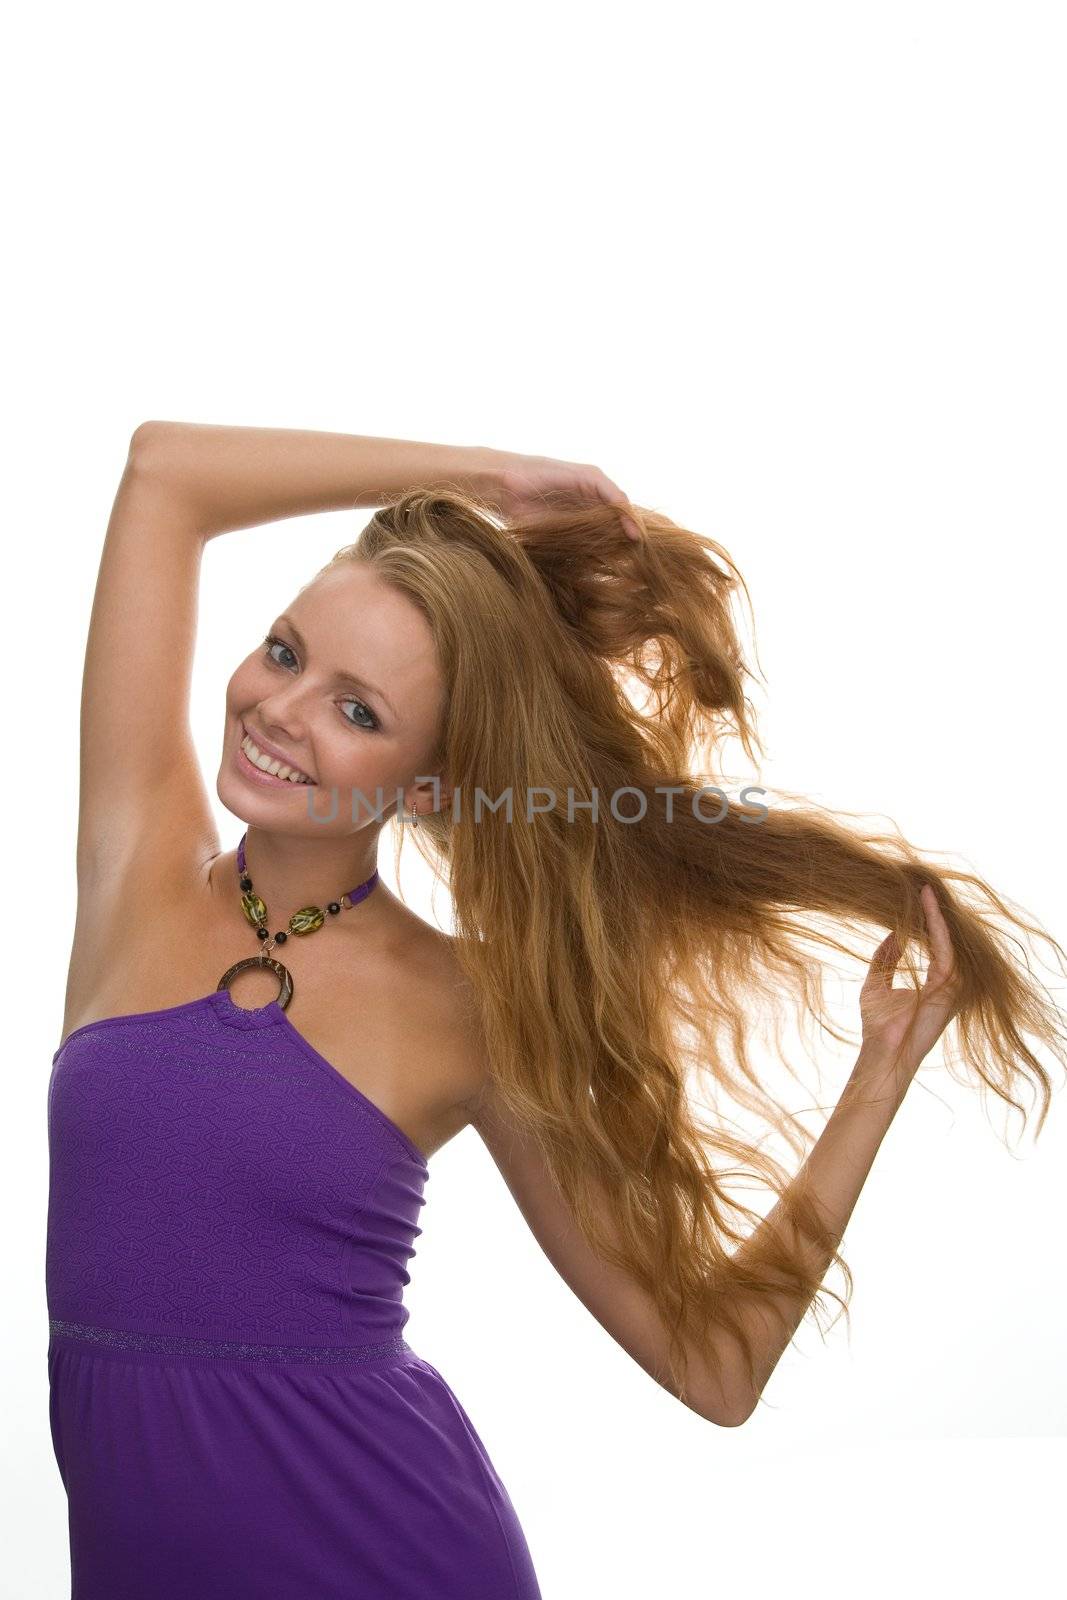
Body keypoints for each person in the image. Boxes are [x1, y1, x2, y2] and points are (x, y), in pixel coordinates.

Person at [46, 423, 1067, 1598]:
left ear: (426, 784)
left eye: (358, 711)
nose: (279, 709)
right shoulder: (134, 864)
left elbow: (712, 1364)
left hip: (388, 1557)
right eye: (283, 651)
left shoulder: (467, 1008)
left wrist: (879, 1069)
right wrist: (484, 483)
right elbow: (163, 473)